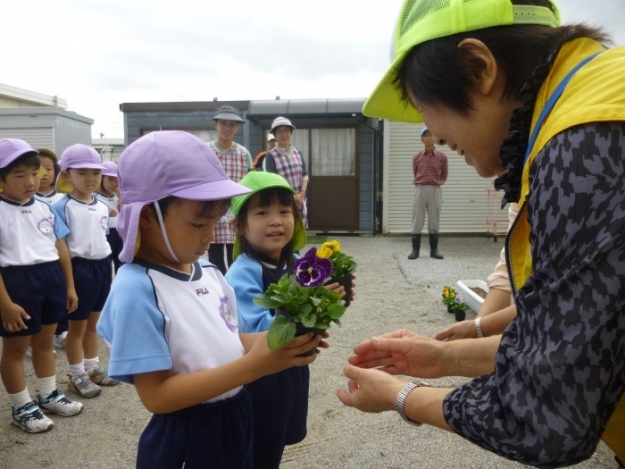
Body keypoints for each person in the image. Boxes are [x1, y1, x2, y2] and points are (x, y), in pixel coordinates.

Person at [337, 0, 625, 466]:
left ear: (478, 67)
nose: (427, 128)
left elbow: (546, 416)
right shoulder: (594, 97)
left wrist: (402, 395)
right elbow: (570, 343)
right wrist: (439, 358)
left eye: (422, 105)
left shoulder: (585, 138)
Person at [96, 131, 324, 469]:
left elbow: (227, 340)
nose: (209, 235)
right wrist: (254, 366)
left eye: (215, 222)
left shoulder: (208, 271)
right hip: (190, 435)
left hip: (237, 414)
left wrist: (281, 343)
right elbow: (157, 396)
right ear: (146, 215)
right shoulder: (137, 289)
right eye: (198, 223)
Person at [226, 171, 342, 468]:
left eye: (284, 211)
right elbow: (257, 330)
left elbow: (304, 316)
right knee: (258, 448)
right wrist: (307, 306)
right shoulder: (244, 271)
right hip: (259, 380)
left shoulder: (294, 262)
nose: (276, 220)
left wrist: (323, 307)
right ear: (239, 225)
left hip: (289, 373)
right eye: (262, 212)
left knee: (275, 443)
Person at [0, 138, 82, 433]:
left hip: (51, 279)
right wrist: (6, 304)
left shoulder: (47, 207)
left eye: (35, 173)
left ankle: (47, 394)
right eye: (19, 175)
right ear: (2, 179)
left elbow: (61, 248)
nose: (30, 181)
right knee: (16, 349)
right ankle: (21, 406)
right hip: (16, 283)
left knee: (45, 343)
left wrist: (69, 287)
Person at [53, 144, 119, 398]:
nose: (90, 178)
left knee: (94, 324)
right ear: (67, 174)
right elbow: (62, 249)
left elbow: (102, 236)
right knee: (76, 327)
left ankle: (92, 368)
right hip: (79, 269)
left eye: (95, 172)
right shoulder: (62, 206)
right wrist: (69, 285)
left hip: (102, 267)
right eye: (82, 173)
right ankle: (75, 373)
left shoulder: (102, 203)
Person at [434, 203, 519, 341]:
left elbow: (547, 301)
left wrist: (476, 330)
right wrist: (474, 332)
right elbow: (506, 273)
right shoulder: (520, 196)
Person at [207, 105, 254, 275]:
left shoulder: (243, 153)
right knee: (215, 258)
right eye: (223, 123)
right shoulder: (206, 151)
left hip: (236, 209)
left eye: (232, 124)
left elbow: (249, 183)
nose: (227, 128)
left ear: (237, 127)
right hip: (213, 210)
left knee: (237, 256)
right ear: (216, 125)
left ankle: (236, 291)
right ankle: (218, 292)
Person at [35, 148, 68, 350]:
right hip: (40, 259)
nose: (44, 174)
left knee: (61, 296)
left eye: (48, 168)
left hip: (63, 254)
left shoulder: (62, 198)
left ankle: (61, 331)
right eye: (39, 169)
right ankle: (35, 337)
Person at [408, 128, 448, 260]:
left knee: (434, 220)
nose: (428, 138)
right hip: (419, 189)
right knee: (417, 219)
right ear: (422, 139)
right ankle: (415, 251)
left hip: (435, 189)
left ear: (435, 138)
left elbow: (444, 174)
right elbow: (415, 172)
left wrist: (437, 182)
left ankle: (434, 250)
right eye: (425, 136)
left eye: (431, 135)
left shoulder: (442, 157)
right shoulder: (417, 157)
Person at [263, 116, 309, 227]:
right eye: (279, 132)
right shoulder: (270, 156)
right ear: (274, 136)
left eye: (286, 130)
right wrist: (292, 198)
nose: (283, 134)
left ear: (291, 133)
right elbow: (271, 183)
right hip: (281, 203)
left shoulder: (297, 152)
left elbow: (305, 176)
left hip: (299, 202)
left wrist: (301, 194)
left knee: (298, 235)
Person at [96, 161, 123, 273]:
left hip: (118, 232)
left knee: (120, 261)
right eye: (110, 179)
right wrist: (106, 212)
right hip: (105, 233)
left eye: (117, 180)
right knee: (107, 261)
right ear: (101, 179)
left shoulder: (117, 197)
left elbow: (124, 211)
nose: (114, 183)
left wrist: (120, 194)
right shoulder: (95, 197)